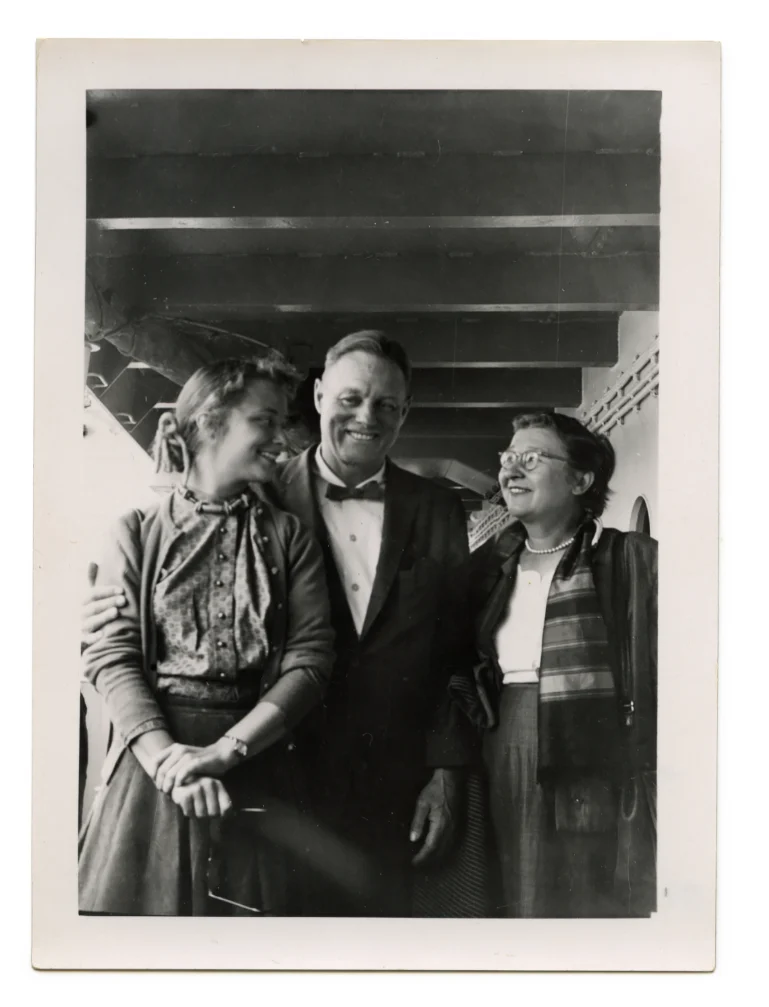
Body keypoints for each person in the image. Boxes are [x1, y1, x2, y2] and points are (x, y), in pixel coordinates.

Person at [83, 331, 480, 917]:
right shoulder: (263, 494)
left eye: (387, 405)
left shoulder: (438, 510)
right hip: (276, 770)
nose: (367, 417)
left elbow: (454, 648)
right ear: (318, 396)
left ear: (405, 412)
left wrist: (446, 772)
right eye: (350, 398)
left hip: (379, 781)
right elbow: (122, 629)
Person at [79, 355, 335, 916]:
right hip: (152, 768)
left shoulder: (290, 537)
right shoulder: (135, 531)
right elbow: (111, 655)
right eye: (264, 422)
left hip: (255, 760)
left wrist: (223, 752)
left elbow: (311, 662)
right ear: (211, 420)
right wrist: (170, 762)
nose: (281, 439)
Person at [451, 412, 657, 918]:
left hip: (595, 747)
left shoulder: (627, 559)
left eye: (532, 458)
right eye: (508, 458)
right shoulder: (487, 570)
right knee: (513, 892)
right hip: (503, 743)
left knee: (584, 898)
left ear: (582, 479)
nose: (511, 471)